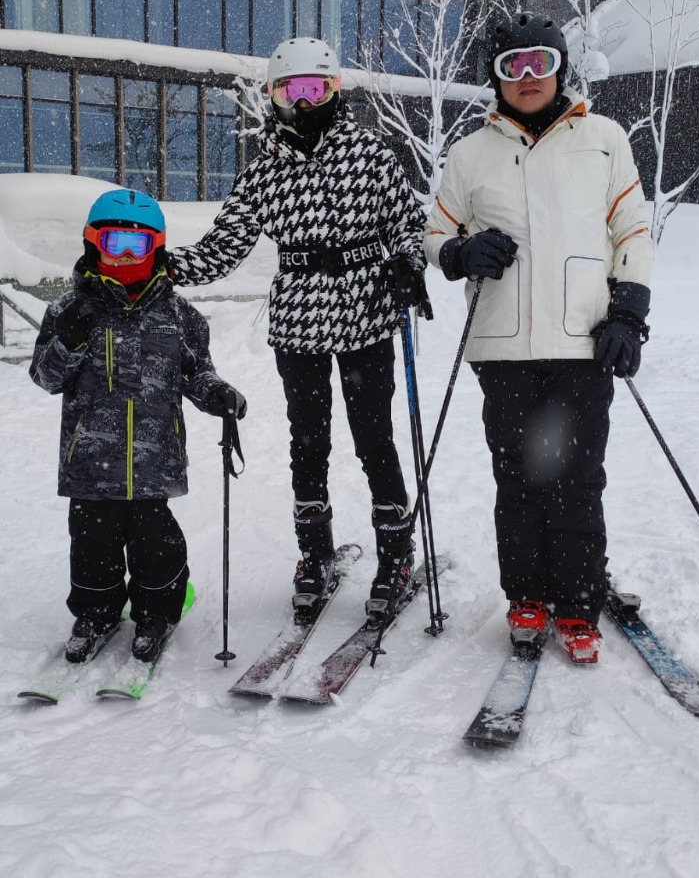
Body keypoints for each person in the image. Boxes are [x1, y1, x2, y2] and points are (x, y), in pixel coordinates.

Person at [167, 36, 430, 618]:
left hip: (366, 312)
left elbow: (410, 223)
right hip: (299, 320)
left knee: (374, 440)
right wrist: (156, 264)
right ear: (274, 98)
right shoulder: (265, 171)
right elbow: (221, 249)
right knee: (307, 442)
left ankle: (396, 553)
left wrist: (409, 262)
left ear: (335, 91)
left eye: (316, 89)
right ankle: (315, 554)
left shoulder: (371, 154)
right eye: (292, 91)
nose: (305, 103)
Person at [424, 11, 653, 664]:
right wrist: (463, 253)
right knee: (518, 480)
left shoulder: (603, 140)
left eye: (539, 63)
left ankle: (578, 602)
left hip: (583, 343)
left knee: (576, 479)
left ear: (559, 70)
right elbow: (433, 237)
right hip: (502, 349)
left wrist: (628, 314)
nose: (526, 77)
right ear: (495, 77)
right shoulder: (469, 154)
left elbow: (631, 231)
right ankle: (526, 595)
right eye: (511, 65)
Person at [30, 187, 246, 663]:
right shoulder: (69, 311)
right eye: (114, 244)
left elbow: (195, 373)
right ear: (92, 245)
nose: (126, 256)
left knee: (156, 544)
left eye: (139, 246)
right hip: (89, 461)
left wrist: (217, 394)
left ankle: (157, 611)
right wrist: (69, 341)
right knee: (92, 544)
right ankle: (96, 611)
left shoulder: (179, 316)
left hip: (154, 459)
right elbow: (45, 377)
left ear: (159, 250)